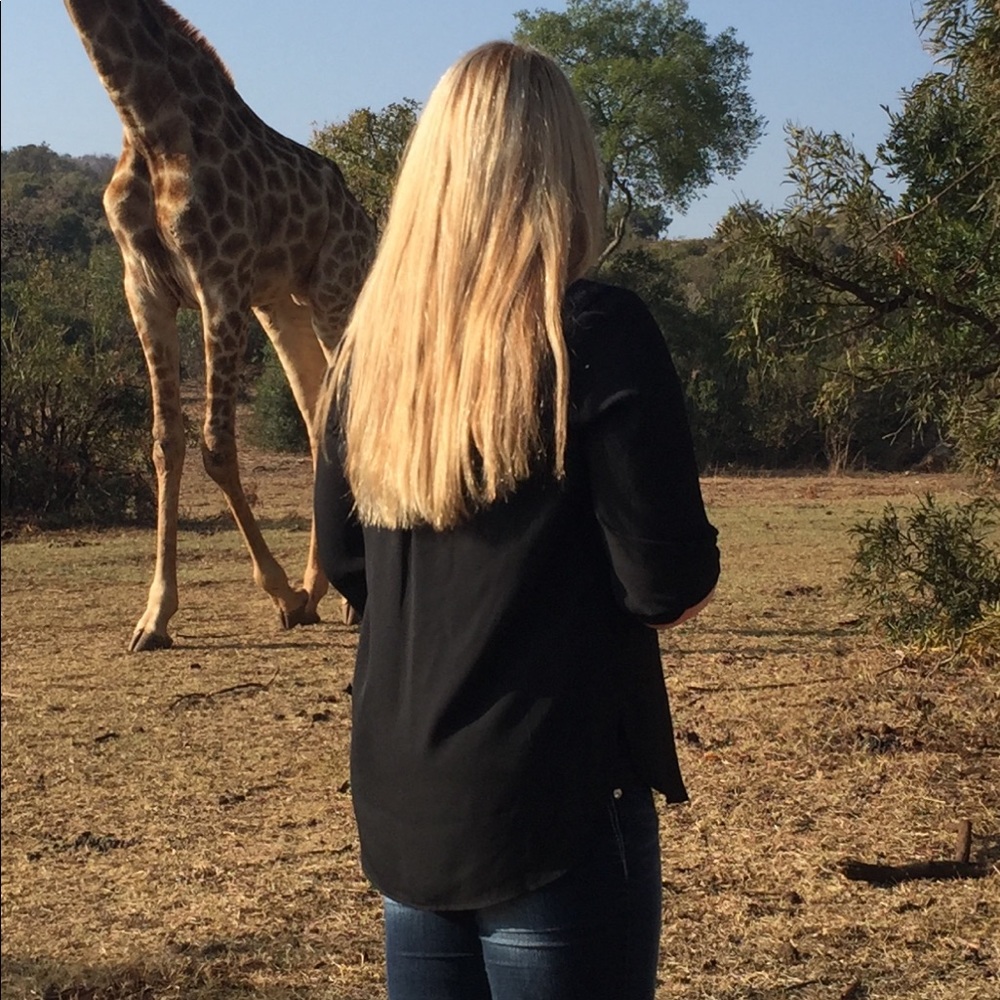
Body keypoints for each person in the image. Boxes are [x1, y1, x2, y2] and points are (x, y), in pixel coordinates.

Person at [314, 40, 720, 1000]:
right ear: (564, 169)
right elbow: (667, 584)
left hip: (408, 811)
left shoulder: (370, 352)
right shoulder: (595, 330)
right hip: (555, 810)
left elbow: (345, 563)